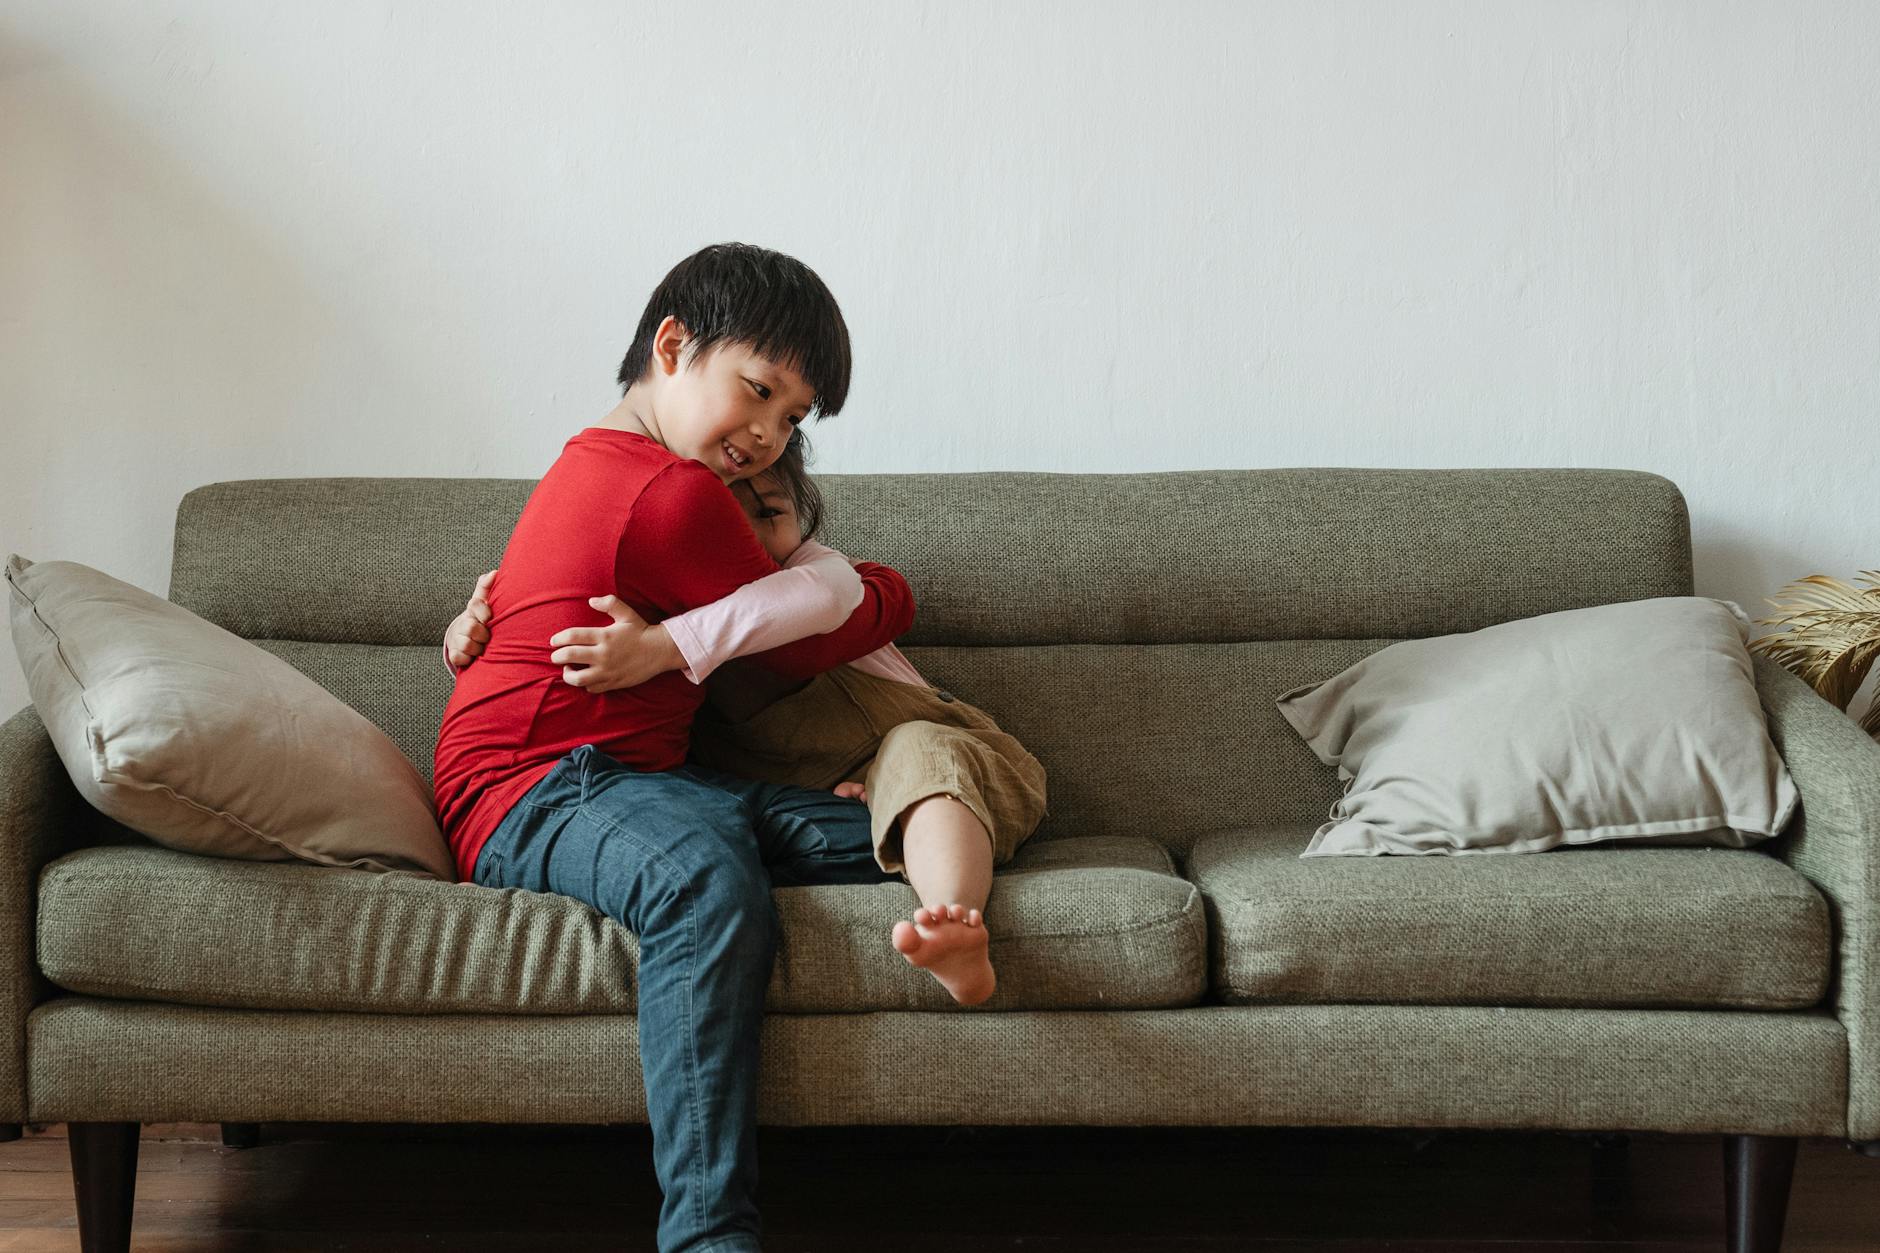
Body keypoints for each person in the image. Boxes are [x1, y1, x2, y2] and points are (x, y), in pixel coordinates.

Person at [432, 242, 911, 1253]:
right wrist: (891, 589)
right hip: (531, 788)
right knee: (702, 879)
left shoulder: (592, 456)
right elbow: (809, 640)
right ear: (671, 343)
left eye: (792, 418)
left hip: (638, 781)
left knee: (884, 830)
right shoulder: (669, 493)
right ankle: (707, 1237)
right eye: (757, 391)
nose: (767, 437)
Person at [444, 436, 1048, 1007]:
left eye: (771, 515)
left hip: (941, 752)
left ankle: (954, 923)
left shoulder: (809, 573)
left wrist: (662, 648)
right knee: (702, 825)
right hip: (828, 792)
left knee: (918, 753)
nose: (751, 543)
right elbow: (550, 660)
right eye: (727, 525)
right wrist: (469, 629)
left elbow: (846, 597)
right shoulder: (658, 604)